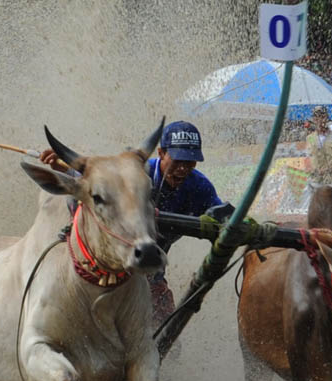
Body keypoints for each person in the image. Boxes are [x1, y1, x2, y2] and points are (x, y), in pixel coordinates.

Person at [39, 120, 227, 330]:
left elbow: (224, 218)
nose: (183, 169)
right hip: (108, 266)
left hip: (150, 269)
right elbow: (93, 183)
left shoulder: (199, 186)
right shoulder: (134, 174)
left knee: (167, 330)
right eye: (178, 160)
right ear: (162, 153)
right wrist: (58, 166)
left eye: (190, 162)